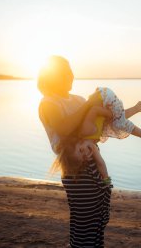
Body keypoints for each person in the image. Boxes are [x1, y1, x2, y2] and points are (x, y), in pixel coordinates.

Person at [38, 56, 112, 247]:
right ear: (55, 77)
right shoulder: (48, 103)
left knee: (100, 218)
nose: (72, 76)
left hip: (93, 160)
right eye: (67, 73)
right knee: (84, 222)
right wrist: (89, 105)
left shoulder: (78, 99)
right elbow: (63, 128)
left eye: (71, 72)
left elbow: (94, 126)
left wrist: (110, 109)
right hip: (75, 168)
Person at [54, 89, 141, 184]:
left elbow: (94, 110)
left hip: (103, 97)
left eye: (81, 150)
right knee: (114, 125)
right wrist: (107, 181)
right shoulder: (91, 143)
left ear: (78, 142)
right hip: (101, 102)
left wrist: (108, 114)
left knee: (117, 122)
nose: (86, 153)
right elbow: (101, 163)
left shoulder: (86, 131)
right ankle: (138, 107)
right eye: (84, 157)